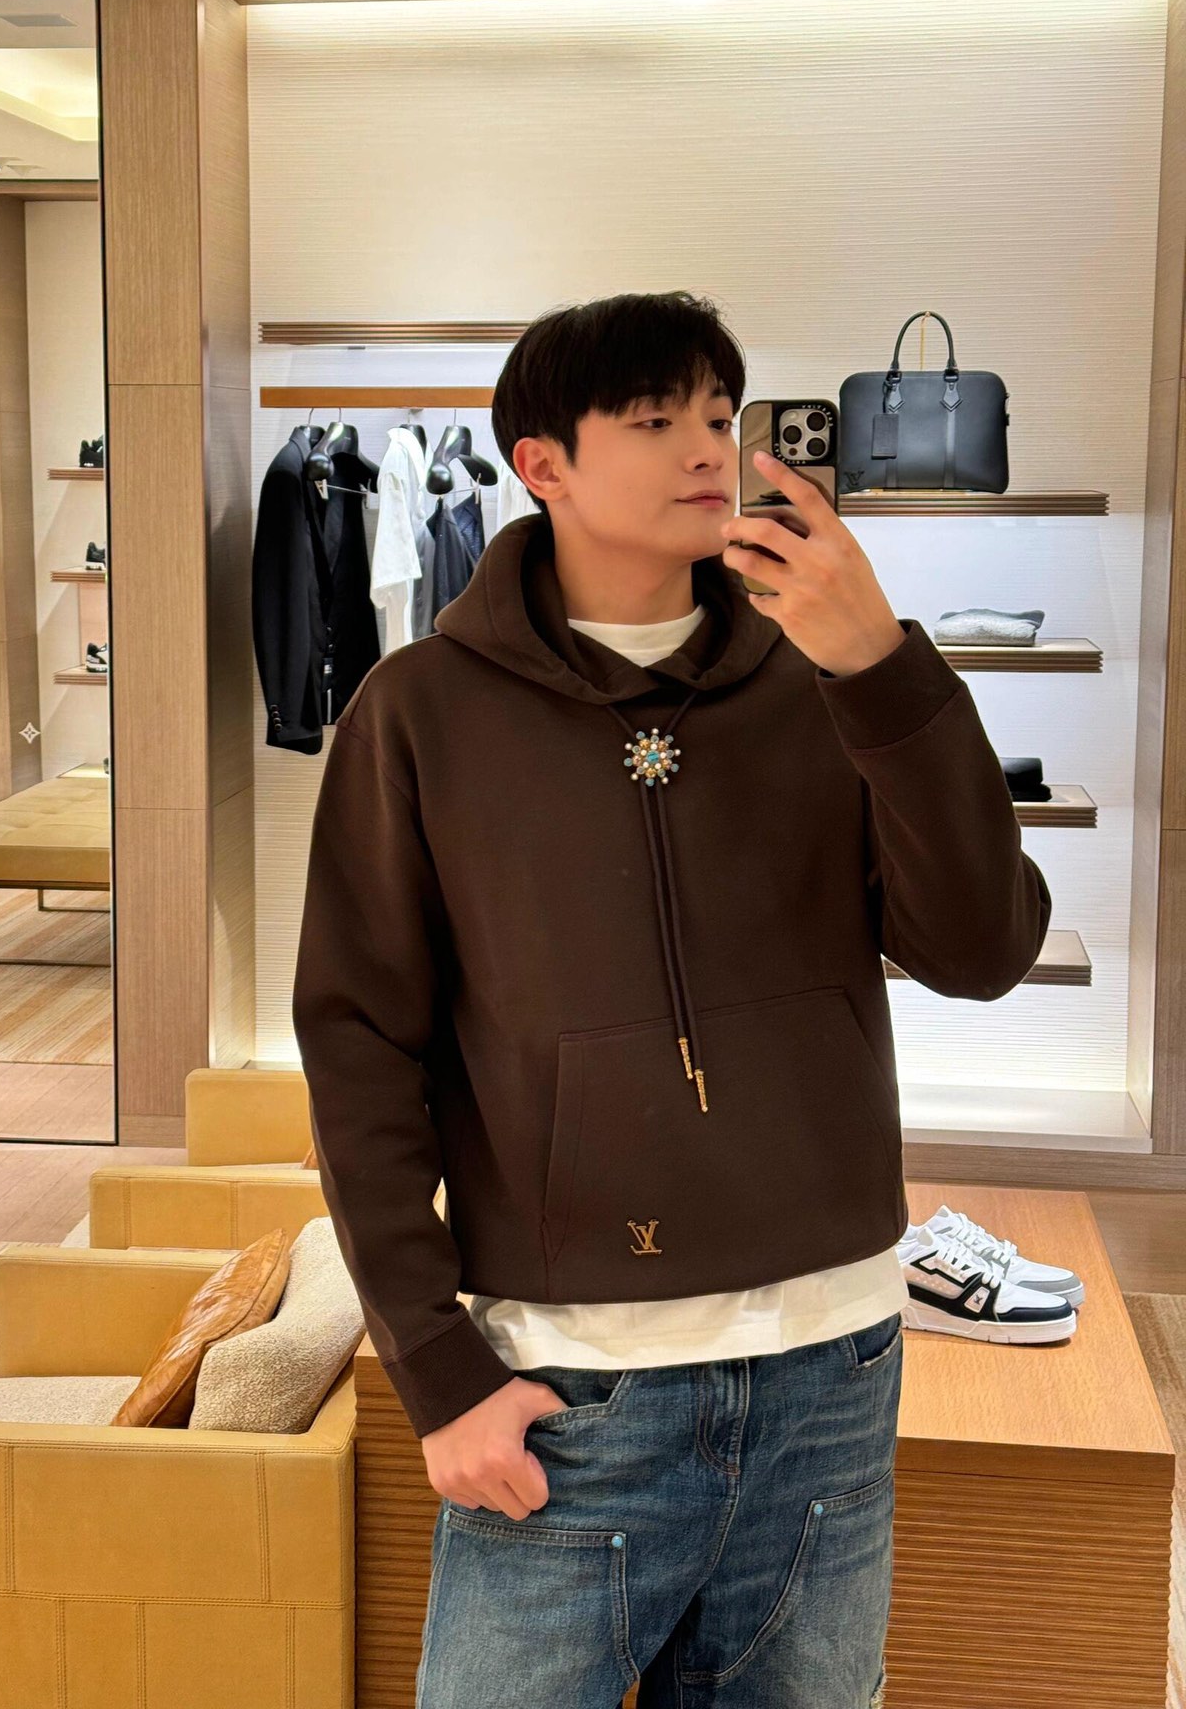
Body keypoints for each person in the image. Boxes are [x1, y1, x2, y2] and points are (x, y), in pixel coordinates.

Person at [291, 290, 1051, 1707]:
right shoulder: (421, 711)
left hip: (827, 1365)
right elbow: (358, 1048)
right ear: (542, 464)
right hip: (563, 1384)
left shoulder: (831, 679)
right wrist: (436, 1367)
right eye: (654, 420)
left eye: (718, 413)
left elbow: (985, 948)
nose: (707, 447)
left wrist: (884, 671)